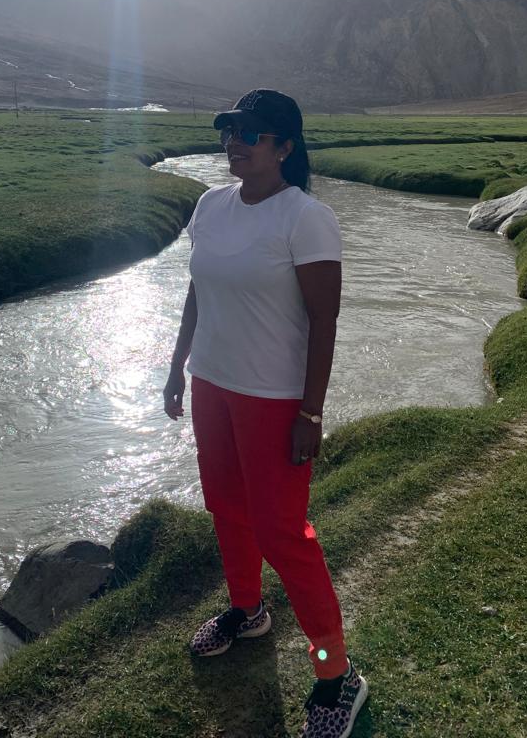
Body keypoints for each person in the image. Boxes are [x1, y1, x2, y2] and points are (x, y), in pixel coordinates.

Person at [163, 89, 369, 738]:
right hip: (212, 384)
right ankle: (248, 611)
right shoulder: (210, 205)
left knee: (284, 534)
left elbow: (324, 321)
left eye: (251, 133)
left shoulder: (306, 218)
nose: (235, 142)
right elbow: (198, 288)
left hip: (274, 399)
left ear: (284, 146)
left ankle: (336, 675)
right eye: (229, 130)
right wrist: (177, 366)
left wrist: (311, 411)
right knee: (226, 507)